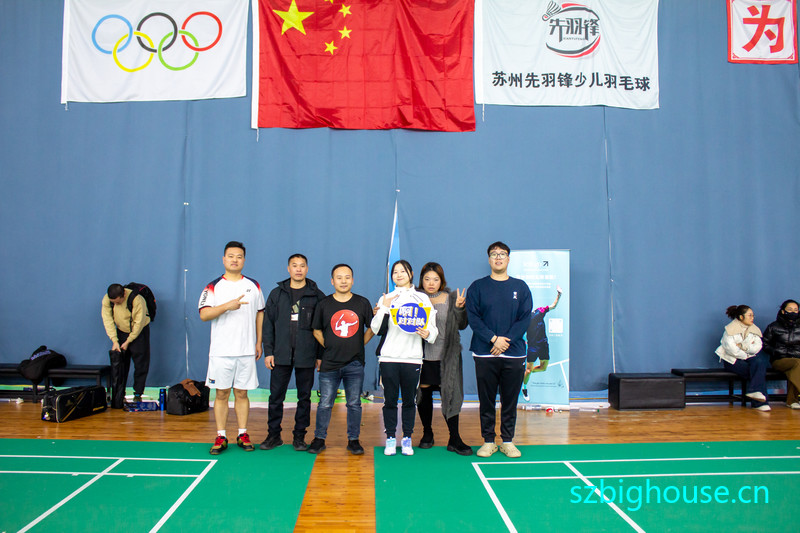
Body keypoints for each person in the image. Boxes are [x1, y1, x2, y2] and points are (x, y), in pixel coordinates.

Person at [466, 242, 532, 458]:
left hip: (514, 353)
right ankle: (488, 441)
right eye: (494, 254)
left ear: (508, 259)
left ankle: (507, 441)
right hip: (485, 352)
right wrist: (493, 339)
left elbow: (525, 317)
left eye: (502, 254)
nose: (498, 257)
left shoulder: (521, 287)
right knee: (486, 400)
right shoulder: (477, 287)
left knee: (510, 400)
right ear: (489, 259)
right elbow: (473, 317)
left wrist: (507, 340)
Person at [199, 241, 265, 454]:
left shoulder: (254, 285)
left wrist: (258, 342)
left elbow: (260, 313)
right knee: (221, 393)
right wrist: (227, 306)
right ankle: (221, 436)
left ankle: (243, 434)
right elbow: (204, 314)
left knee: (242, 393)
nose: (235, 260)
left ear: (244, 260)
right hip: (221, 352)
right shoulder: (213, 286)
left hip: (246, 351)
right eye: (231, 256)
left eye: (239, 256)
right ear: (223, 259)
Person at [372, 260, 438, 456]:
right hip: (389, 358)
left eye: (403, 271)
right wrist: (384, 307)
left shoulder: (422, 298)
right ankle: (391, 438)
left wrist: (428, 334)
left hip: (412, 358)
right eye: (395, 272)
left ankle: (407, 438)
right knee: (390, 401)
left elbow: (432, 328)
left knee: (410, 401)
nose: (399, 275)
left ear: (411, 273)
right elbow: (375, 328)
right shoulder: (386, 298)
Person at [260, 254, 326, 452]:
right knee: (275, 397)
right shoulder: (277, 294)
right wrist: (269, 351)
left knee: (304, 398)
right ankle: (273, 435)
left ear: (307, 269)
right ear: (288, 269)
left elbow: (322, 328)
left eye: (302, 266)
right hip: (280, 355)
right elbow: (268, 324)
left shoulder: (317, 295)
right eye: (294, 266)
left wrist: (320, 355)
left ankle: (299, 437)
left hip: (307, 356)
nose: (298, 269)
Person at [309, 264, 374, 455]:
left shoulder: (362, 303)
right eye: (339, 277)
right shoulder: (324, 304)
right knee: (325, 403)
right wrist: (328, 346)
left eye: (347, 277)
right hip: (329, 363)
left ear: (353, 280)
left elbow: (372, 328)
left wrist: (359, 344)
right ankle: (319, 439)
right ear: (332, 281)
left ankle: (353, 440)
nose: (343, 281)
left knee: (354, 404)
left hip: (354, 363)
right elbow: (316, 330)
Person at [416, 261, 472, 455]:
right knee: (423, 395)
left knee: (450, 395)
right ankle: (427, 433)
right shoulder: (413, 299)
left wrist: (459, 308)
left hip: (446, 356)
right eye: (427, 279)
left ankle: (454, 438)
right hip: (422, 355)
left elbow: (462, 325)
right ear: (421, 280)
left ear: (442, 281)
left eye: (435, 279)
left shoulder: (451, 298)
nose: (431, 283)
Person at [101, 283, 151, 407]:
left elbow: (139, 323)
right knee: (121, 363)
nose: (116, 304)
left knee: (141, 363)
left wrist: (129, 341)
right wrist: (115, 340)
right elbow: (107, 320)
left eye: (118, 302)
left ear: (123, 294)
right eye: (114, 303)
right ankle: (119, 394)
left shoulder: (137, 299)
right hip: (121, 330)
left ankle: (138, 393)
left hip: (139, 332)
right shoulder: (107, 300)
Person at [715, 304, 770, 411]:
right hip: (732, 361)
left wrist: (743, 346)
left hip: (749, 357)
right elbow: (731, 349)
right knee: (757, 372)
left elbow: (757, 347)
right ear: (741, 317)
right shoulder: (730, 330)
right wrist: (746, 354)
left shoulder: (754, 329)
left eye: (753, 315)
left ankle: (755, 392)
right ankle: (759, 402)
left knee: (760, 362)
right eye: (749, 315)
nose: (752, 318)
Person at [521, 286, 562, 402]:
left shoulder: (539, 311)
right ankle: (524, 388)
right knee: (528, 370)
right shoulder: (522, 319)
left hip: (543, 344)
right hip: (532, 347)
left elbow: (553, 306)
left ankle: (524, 373)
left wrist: (559, 295)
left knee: (543, 368)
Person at [762, 299, 800, 409]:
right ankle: (792, 400)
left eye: (795, 310)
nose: (793, 312)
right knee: (798, 363)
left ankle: (792, 401)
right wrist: (775, 351)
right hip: (780, 360)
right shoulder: (773, 326)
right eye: (790, 309)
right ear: (783, 311)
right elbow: (764, 344)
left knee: (796, 368)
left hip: (797, 360)